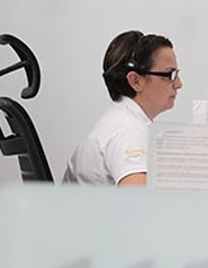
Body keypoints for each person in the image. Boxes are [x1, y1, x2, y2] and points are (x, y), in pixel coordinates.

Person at [63, 31, 183, 186]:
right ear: (136, 81)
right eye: (170, 74)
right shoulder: (128, 131)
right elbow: (140, 198)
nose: (178, 84)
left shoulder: (121, 119)